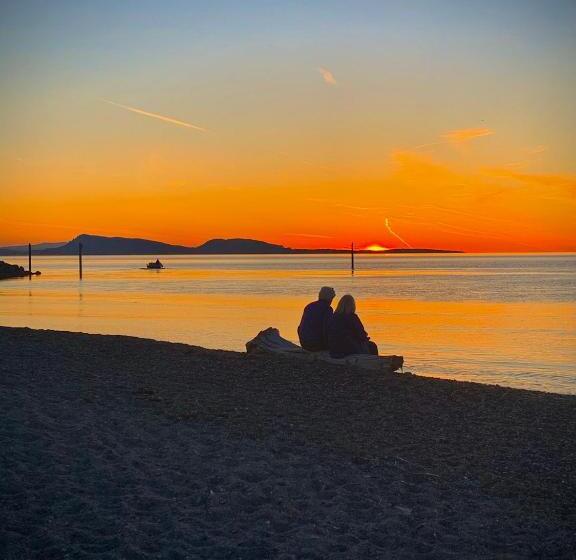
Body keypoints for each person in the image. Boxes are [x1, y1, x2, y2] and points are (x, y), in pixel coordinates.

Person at [327, 294, 378, 358]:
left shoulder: (334, 317)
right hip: (349, 348)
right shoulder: (352, 317)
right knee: (372, 346)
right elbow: (361, 334)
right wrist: (365, 338)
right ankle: (374, 361)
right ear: (352, 305)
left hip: (334, 348)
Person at [298, 286, 336, 351]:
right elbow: (327, 329)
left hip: (304, 342)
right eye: (332, 298)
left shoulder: (309, 306)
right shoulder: (327, 309)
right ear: (330, 298)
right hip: (316, 344)